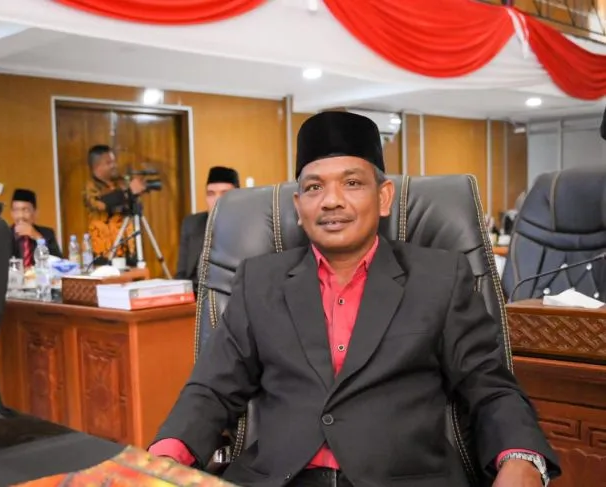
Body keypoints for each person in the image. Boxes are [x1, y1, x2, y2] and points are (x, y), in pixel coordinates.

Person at [149, 112, 560, 487]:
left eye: (351, 183)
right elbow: (212, 388)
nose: (331, 201)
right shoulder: (259, 281)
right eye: (314, 187)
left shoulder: (440, 278)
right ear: (298, 206)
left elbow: (489, 386)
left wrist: (521, 458)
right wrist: (164, 459)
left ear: (384, 197)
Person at [176, 166, 240, 292]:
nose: (217, 200)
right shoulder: (192, 224)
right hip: (196, 295)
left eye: (225, 194)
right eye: (211, 194)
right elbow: (181, 275)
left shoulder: (251, 226)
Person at [83, 145, 145, 265]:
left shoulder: (120, 183)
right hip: (104, 252)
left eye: (114, 161)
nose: (114, 165)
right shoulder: (90, 188)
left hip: (127, 247)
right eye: (109, 163)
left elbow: (135, 206)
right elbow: (101, 204)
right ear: (97, 166)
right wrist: (128, 192)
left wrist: (135, 193)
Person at [10, 189, 62, 267]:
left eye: (25, 210)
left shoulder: (47, 233)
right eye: (16, 210)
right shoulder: (3, 235)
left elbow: (58, 263)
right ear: (12, 213)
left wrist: (38, 237)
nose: (21, 216)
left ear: (35, 213)